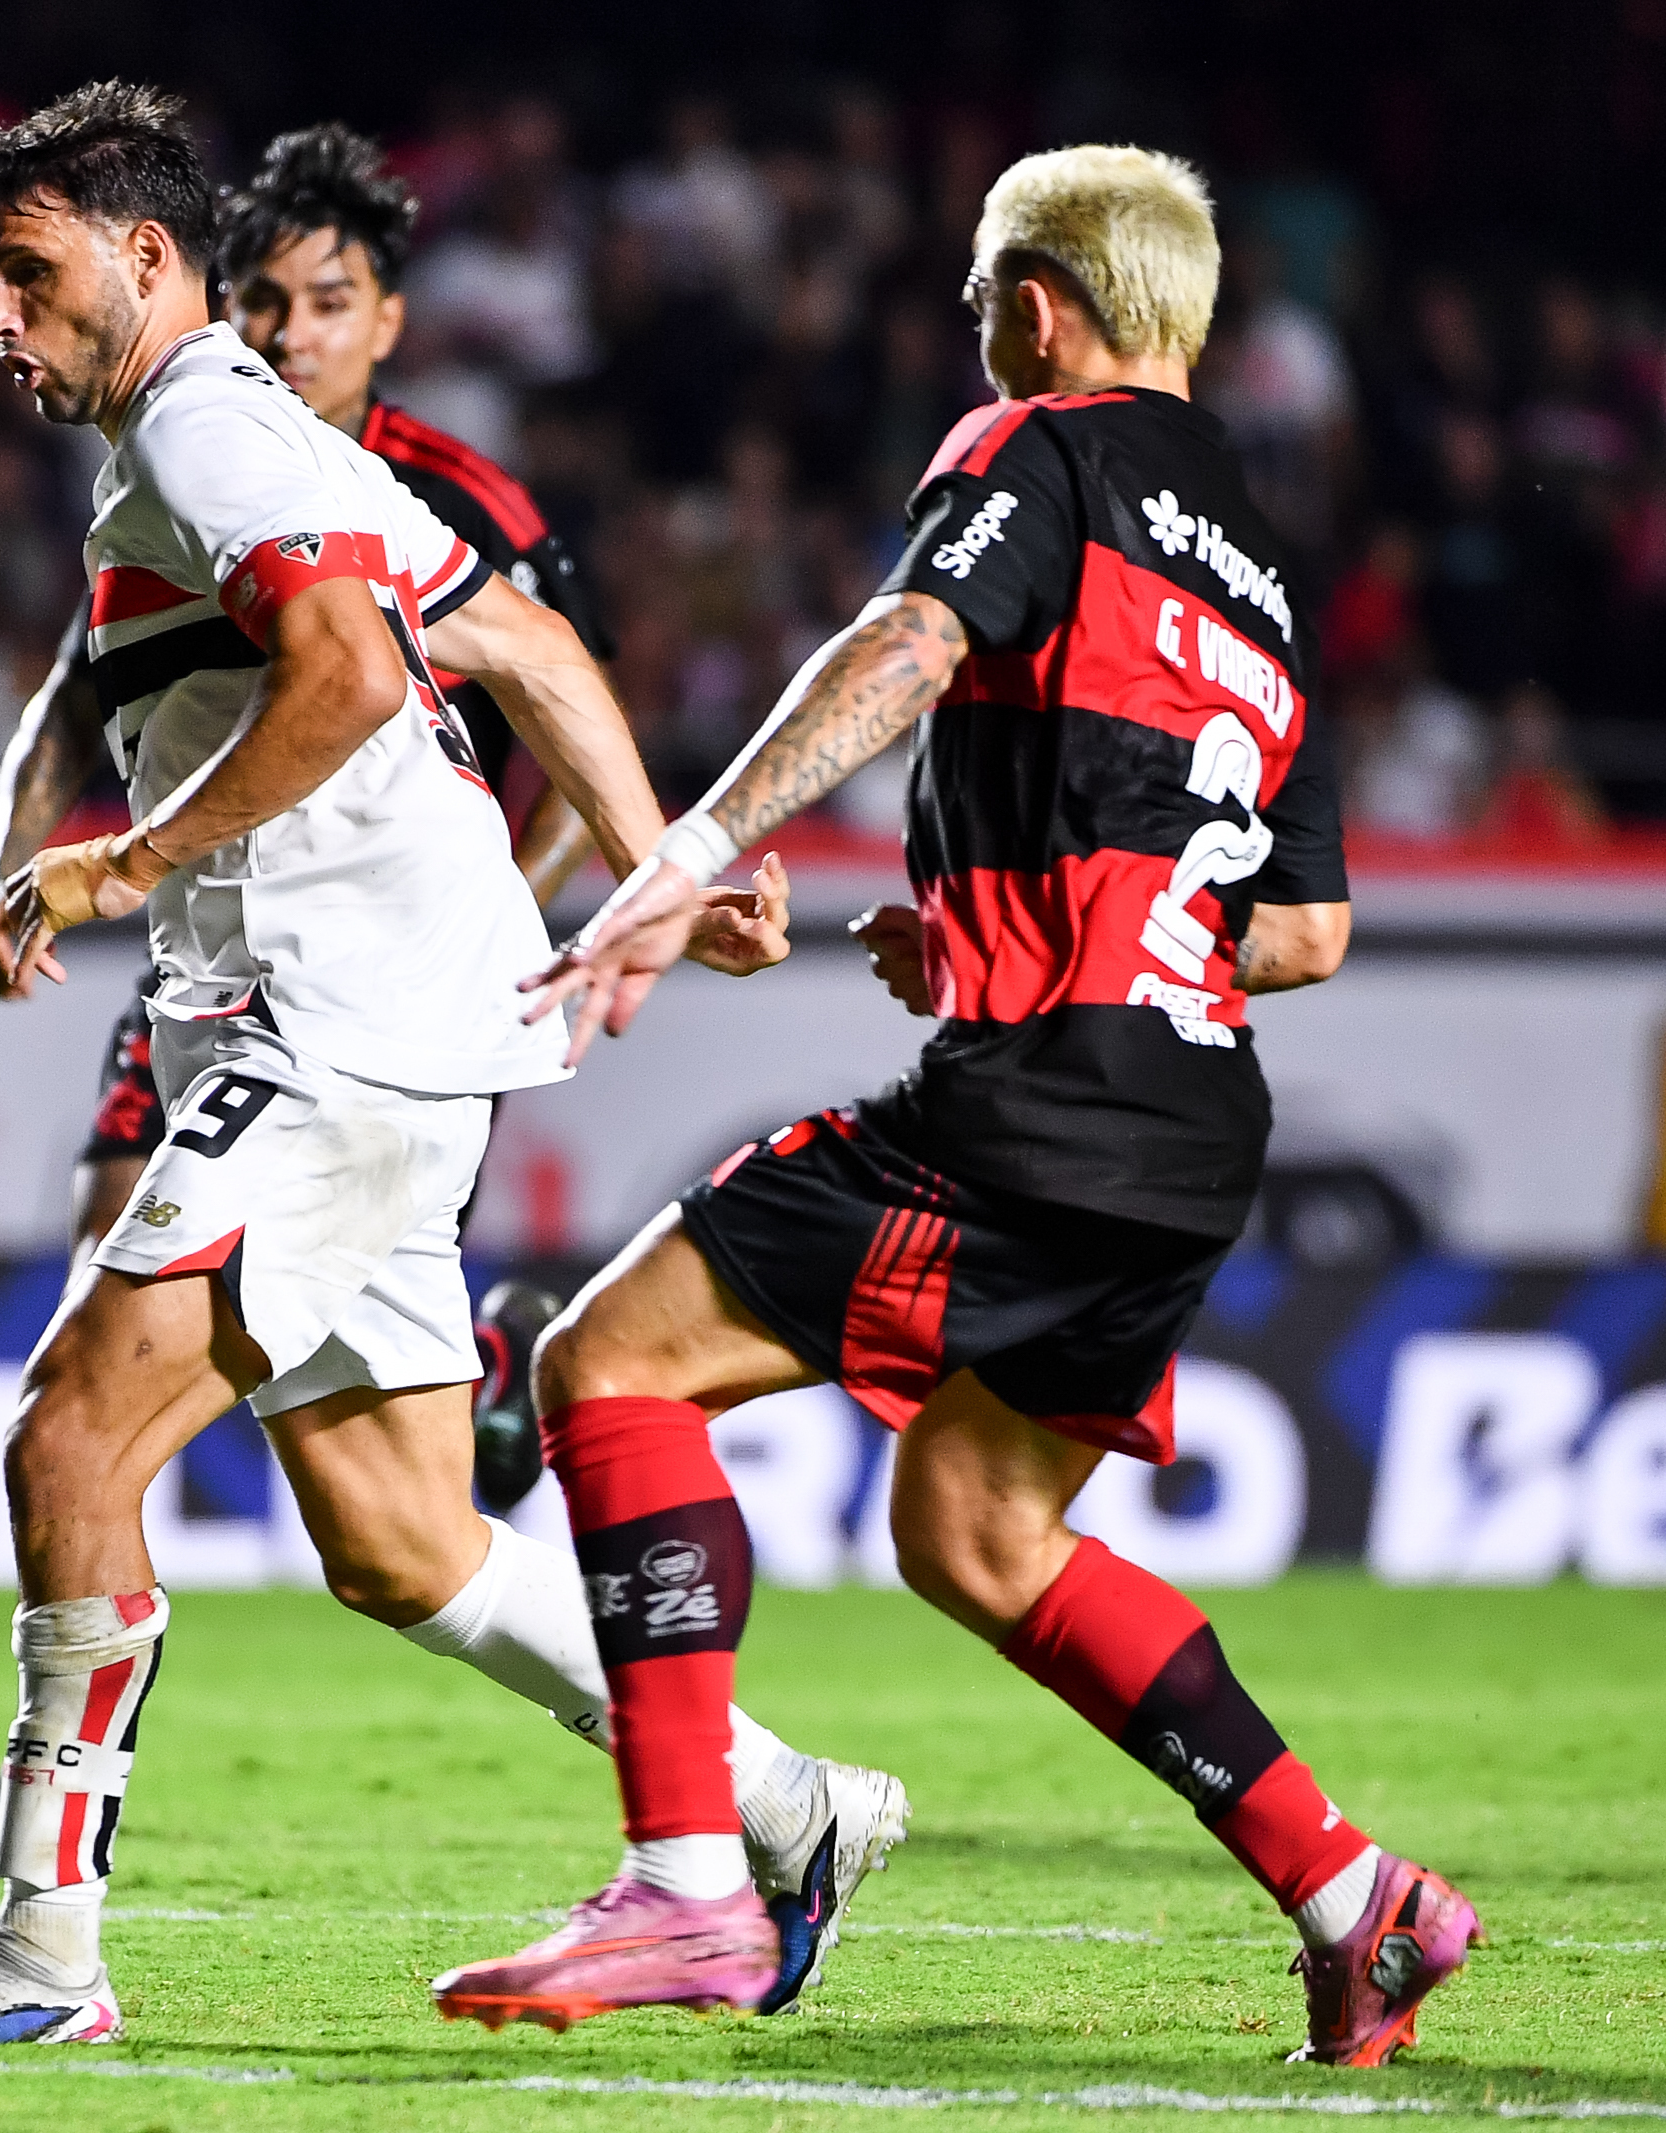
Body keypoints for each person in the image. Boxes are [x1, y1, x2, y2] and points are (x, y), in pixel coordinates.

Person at [0, 83, 888, 2053]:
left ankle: (38, 1957)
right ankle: (791, 1805)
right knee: (403, 1540)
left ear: (144, 260)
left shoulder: (208, 424)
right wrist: (672, 863)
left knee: (72, 1438)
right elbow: (510, 641)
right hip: (393, 1030)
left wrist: (122, 861)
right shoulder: (222, 441)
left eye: (27, 269)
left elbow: (341, 672)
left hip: (333, 1029)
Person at [432, 146, 1477, 2069]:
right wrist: (1017, 936)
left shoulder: (1039, 446)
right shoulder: (1263, 570)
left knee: (606, 1369)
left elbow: (906, 651)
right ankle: (1357, 1895)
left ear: (1046, 300)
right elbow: (1305, 930)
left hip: (1046, 1112)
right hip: (1190, 1134)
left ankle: (686, 1877)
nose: (971, 322)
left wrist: (675, 859)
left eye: (988, 286)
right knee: (982, 1533)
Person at [0, 122, 609, 1505]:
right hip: (225, 938)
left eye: (328, 304)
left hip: (375, 965)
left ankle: (110, 1559)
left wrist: (571, 914)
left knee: (112, 1391)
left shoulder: (429, 491)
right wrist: (4, 872)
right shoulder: (188, 452)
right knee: (125, 1284)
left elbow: (542, 672)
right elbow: (73, 705)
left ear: (388, 319)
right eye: (264, 300)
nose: (290, 333)